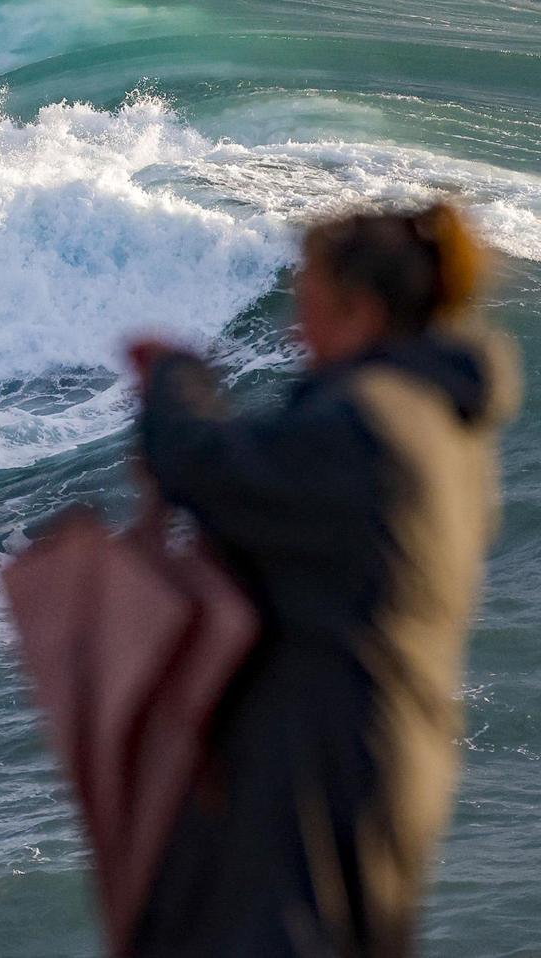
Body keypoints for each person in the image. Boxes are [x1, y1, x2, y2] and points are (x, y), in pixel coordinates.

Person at [126, 202, 520, 958]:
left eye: (307, 311)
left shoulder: (366, 425)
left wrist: (172, 381)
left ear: (362, 312)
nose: (292, 335)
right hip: (384, 748)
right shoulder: (441, 425)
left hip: (326, 758)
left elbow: (210, 469)